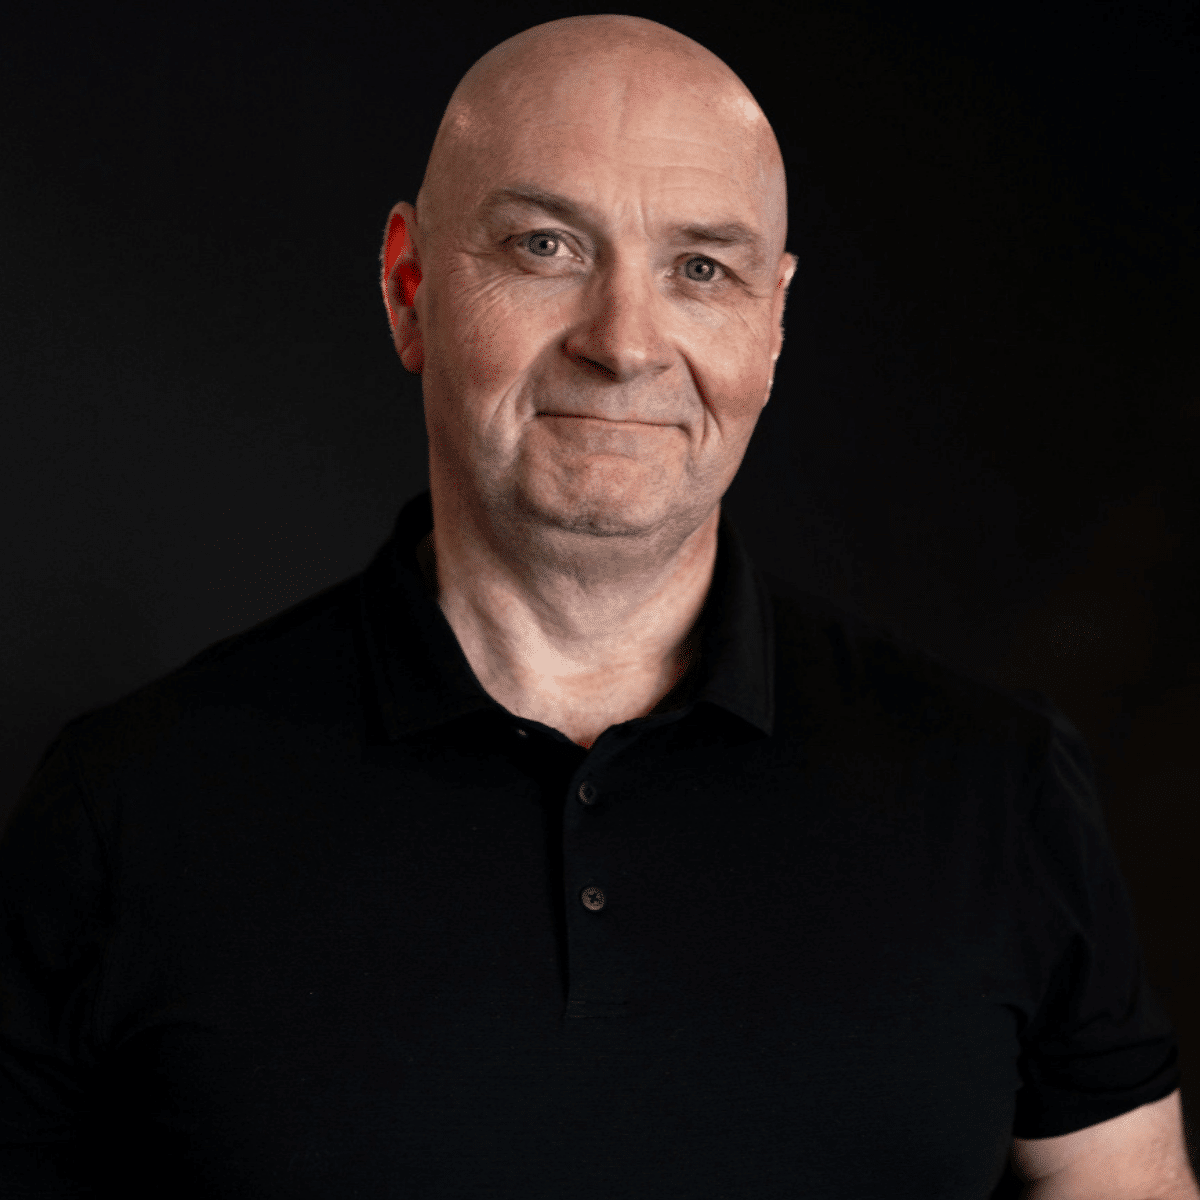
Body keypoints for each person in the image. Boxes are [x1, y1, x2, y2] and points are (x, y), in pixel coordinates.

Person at [0, 14, 1195, 1198]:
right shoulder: (129, 805)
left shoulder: (998, 790)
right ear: (410, 287)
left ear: (772, 324)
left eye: (701, 269)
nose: (625, 345)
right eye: (545, 247)